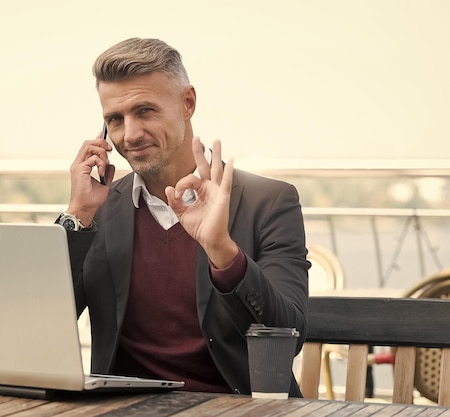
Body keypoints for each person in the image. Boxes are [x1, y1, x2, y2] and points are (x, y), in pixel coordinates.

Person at [55, 37, 310, 396]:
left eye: (145, 111)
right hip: (122, 407)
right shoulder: (98, 208)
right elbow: (41, 324)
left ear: (187, 103)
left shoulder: (268, 201)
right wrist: (77, 215)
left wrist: (223, 252)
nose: (130, 134)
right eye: (115, 119)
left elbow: (288, 335)